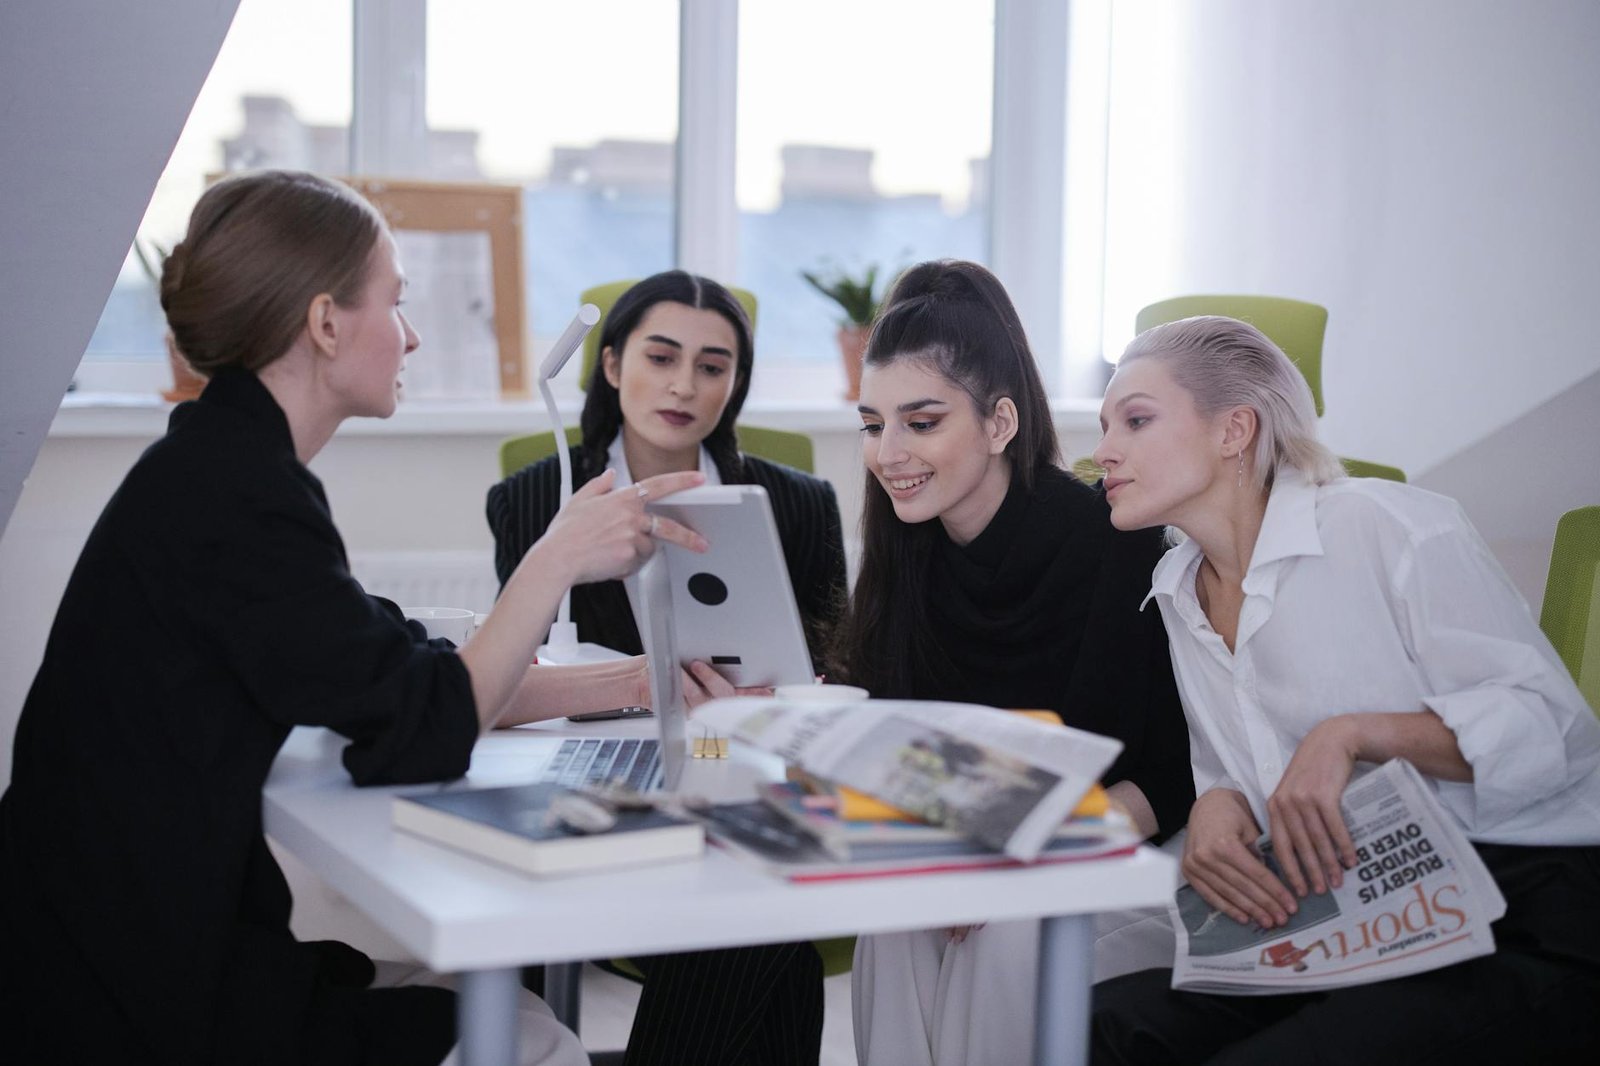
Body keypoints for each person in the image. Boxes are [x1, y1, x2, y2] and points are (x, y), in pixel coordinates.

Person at [0, 170, 710, 1066]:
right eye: (397, 304)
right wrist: (557, 555)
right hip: (134, 997)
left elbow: (405, 669)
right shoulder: (242, 499)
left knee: (501, 1006)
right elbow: (426, 725)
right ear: (327, 323)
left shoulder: (216, 465)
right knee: (533, 1041)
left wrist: (639, 681)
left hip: (92, 952)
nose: (411, 336)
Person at [1089, 315, 1600, 1063]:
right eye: (1105, 425)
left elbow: (1557, 730)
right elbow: (1239, 767)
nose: (1103, 451)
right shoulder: (1175, 589)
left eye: (1135, 420)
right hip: (1350, 919)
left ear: (1235, 431)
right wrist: (1215, 805)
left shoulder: (1385, 526)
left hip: (1519, 909)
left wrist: (1356, 733)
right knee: (1093, 1024)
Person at [832, 259, 1193, 1066]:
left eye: (921, 423)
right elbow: (899, 741)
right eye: (872, 423)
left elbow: (1173, 775)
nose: (889, 453)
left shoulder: (1114, 540)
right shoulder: (905, 550)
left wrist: (1013, 853)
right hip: (987, 836)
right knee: (892, 922)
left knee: (1002, 932)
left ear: (999, 424)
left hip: (1123, 839)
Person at [486, 270, 848, 1066]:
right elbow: (524, 667)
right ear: (611, 364)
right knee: (763, 934)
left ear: (735, 386)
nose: (685, 385)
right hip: (596, 771)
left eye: (713, 366)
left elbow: (825, 666)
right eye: (661, 357)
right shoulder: (538, 494)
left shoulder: (798, 504)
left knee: (757, 906)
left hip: (736, 758)